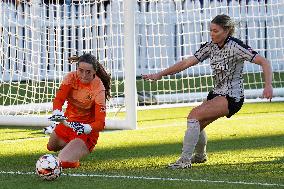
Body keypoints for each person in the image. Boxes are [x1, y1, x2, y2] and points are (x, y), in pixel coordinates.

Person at [142, 14, 273, 169]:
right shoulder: (210, 46)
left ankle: (184, 160)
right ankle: (200, 156)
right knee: (197, 124)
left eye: (215, 31)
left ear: (227, 30)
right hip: (217, 93)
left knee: (193, 116)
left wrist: (268, 85)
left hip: (232, 96)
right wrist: (160, 74)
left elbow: (264, 61)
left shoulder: (236, 46)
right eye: (210, 30)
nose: (212, 34)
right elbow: (186, 63)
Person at [46, 53, 111, 169]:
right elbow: (59, 99)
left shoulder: (99, 88)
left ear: (94, 72)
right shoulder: (71, 78)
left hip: (85, 132)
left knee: (61, 162)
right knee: (51, 146)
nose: (84, 75)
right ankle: (72, 147)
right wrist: (56, 111)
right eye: (81, 70)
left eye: (88, 72)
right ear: (77, 69)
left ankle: (75, 154)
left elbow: (100, 123)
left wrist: (86, 128)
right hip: (67, 124)